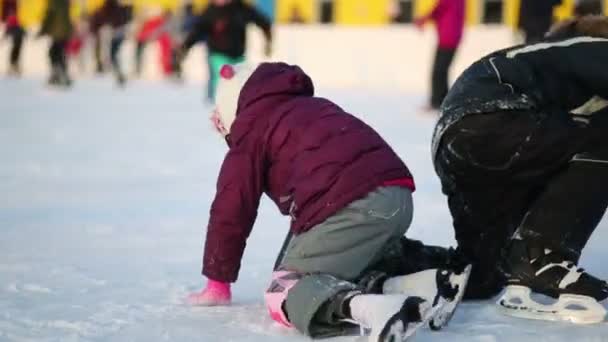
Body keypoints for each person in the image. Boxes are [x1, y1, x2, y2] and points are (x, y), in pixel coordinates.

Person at [186, 62, 471, 341]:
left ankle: (374, 310)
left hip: (349, 204)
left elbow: (231, 208)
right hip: (395, 196)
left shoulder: (251, 130)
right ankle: (434, 275)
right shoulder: (310, 106)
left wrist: (217, 280)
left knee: (284, 288)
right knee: (342, 259)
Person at [432, 15, 608, 324]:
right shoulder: (590, 46)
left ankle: (401, 268)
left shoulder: (537, 61)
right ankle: (544, 258)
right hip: (496, 120)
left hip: (455, 147)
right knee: (600, 139)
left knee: (484, 272)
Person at [178, 0, 272, 102]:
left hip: (238, 55)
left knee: (239, 83)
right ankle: (215, 104)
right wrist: (186, 46)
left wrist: (268, 38)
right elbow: (197, 31)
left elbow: (261, 21)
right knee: (221, 80)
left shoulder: (241, 8)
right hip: (218, 55)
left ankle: (235, 105)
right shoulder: (210, 11)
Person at [414, 0, 465, 111]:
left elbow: (438, 9)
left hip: (448, 37)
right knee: (442, 71)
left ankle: (437, 102)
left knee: (438, 71)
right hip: (451, 36)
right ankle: (444, 101)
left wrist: (422, 20)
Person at [90, 0, 133, 85]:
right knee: (114, 54)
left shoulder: (109, 7)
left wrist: (96, 28)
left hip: (116, 33)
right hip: (119, 32)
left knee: (113, 54)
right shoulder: (117, 7)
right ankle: (119, 73)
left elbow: (101, 18)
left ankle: (119, 73)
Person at [39, 0, 73, 87]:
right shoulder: (65, 2)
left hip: (57, 31)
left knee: (54, 52)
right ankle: (62, 73)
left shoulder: (53, 2)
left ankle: (57, 73)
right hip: (65, 31)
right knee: (59, 52)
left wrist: (42, 31)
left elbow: (49, 17)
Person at [1, 0, 25, 76]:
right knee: (16, 45)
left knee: (17, 45)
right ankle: (13, 64)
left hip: (18, 24)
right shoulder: (8, 2)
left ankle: (14, 64)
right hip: (13, 25)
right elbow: (4, 14)